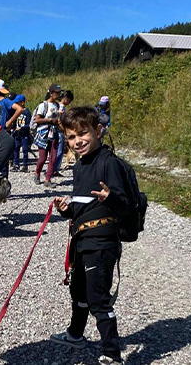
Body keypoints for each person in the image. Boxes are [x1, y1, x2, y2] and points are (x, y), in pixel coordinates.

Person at [50, 106, 132, 365]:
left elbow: (126, 204)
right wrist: (66, 210)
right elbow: (82, 207)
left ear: (98, 131)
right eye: (72, 137)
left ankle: (111, 354)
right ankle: (75, 334)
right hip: (82, 240)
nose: (78, 142)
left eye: (83, 134)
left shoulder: (110, 163)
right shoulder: (80, 166)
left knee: (98, 298)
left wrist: (112, 197)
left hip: (102, 242)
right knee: (79, 292)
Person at [32, 84, 62, 188]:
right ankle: (37, 173)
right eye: (57, 92)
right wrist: (50, 120)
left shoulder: (58, 106)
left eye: (59, 93)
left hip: (54, 133)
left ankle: (48, 179)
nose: (59, 94)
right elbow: (37, 119)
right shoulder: (43, 105)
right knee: (43, 157)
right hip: (43, 134)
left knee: (53, 157)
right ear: (51, 93)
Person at [53, 90, 74, 175]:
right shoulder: (61, 107)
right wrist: (65, 131)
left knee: (59, 150)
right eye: (69, 100)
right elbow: (59, 121)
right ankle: (54, 169)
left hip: (59, 131)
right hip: (59, 131)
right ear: (66, 98)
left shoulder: (59, 106)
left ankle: (55, 168)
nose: (69, 102)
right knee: (59, 150)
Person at [10, 94, 31, 172]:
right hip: (17, 134)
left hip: (24, 134)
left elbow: (29, 124)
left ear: (22, 103)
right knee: (16, 149)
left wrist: (22, 128)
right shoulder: (16, 112)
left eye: (17, 103)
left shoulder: (27, 112)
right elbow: (14, 121)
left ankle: (25, 166)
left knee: (25, 150)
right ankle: (16, 165)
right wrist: (13, 128)